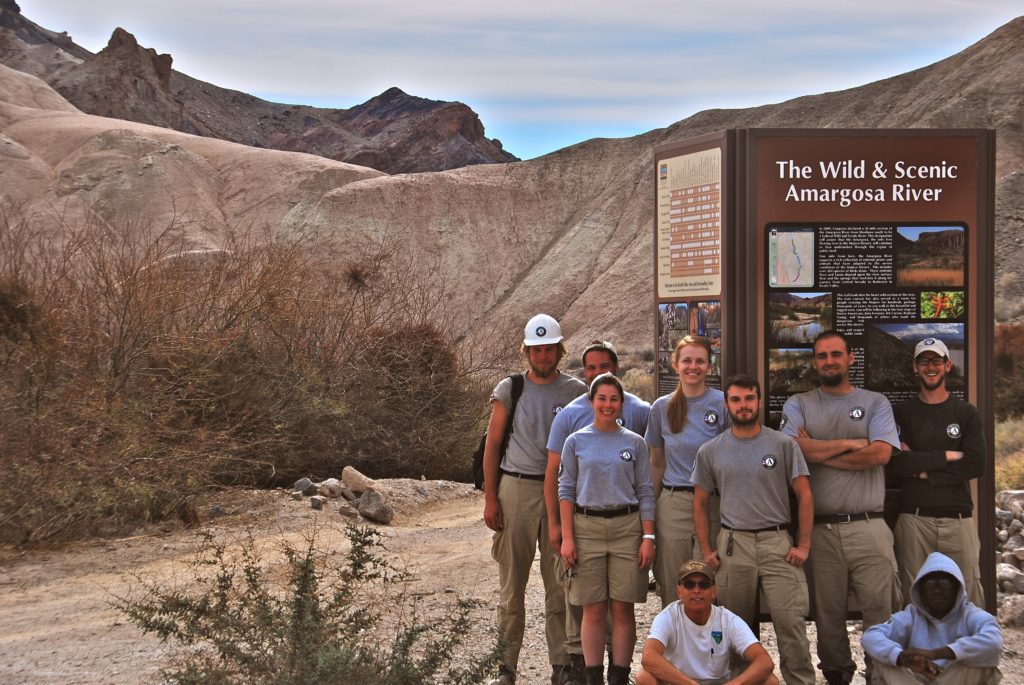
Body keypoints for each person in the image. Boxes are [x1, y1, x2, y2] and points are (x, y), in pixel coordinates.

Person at [779, 330, 901, 685]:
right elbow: (791, 451)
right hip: (820, 530)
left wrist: (817, 452)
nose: (829, 361)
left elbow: (881, 454)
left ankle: (882, 675)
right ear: (815, 362)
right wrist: (851, 444)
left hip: (870, 526)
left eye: (836, 354)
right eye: (822, 356)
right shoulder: (799, 404)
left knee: (881, 611)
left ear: (851, 359)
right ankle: (836, 676)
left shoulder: (876, 402)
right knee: (827, 615)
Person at [483, 313, 588, 685]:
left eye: (549, 349)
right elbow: (493, 444)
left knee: (559, 582)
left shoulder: (576, 392)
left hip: (560, 494)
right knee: (511, 586)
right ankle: (505, 668)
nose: (543, 356)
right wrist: (491, 498)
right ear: (526, 351)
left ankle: (562, 667)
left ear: (559, 350)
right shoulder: (510, 389)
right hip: (516, 488)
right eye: (536, 350)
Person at [693, 375, 816, 685]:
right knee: (736, 630)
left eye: (749, 399)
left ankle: (800, 680)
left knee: (791, 624)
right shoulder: (711, 450)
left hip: (778, 544)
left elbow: (804, 495)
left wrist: (803, 545)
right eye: (736, 400)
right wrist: (707, 550)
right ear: (727, 405)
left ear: (759, 401)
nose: (743, 405)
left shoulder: (783, 444)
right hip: (735, 545)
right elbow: (700, 502)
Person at [545, 340, 652, 682]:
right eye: (601, 398)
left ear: (622, 403)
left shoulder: (634, 442)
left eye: (614, 399)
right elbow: (566, 490)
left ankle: (619, 676)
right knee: (592, 609)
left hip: (626, 528)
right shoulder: (576, 440)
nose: (608, 404)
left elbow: (646, 490)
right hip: (587, 527)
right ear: (592, 402)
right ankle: (592, 677)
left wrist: (648, 535)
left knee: (622, 609)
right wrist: (567, 538)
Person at [890, 338, 986, 606]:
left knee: (968, 597)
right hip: (914, 520)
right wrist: (945, 457)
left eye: (936, 361)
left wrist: (924, 473)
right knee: (913, 598)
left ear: (947, 365)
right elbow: (896, 463)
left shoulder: (966, 413)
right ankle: (919, 650)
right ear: (915, 367)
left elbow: (976, 464)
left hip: (958, 519)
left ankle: (964, 650)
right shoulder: (902, 413)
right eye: (924, 360)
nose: (930, 367)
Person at [645, 335, 729, 607]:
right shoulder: (661, 408)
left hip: (712, 503)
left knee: (710, 581)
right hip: (673, 503)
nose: (693, 367)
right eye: (687, 360)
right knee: (673, 584)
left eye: (700, 361)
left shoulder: (723, 403)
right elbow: (657, 463)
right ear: (675, 364)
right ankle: (675, 646)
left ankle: (711, 648)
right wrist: (649, 511)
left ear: (710, 366)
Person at [862, 552, 1002, 685]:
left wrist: (936, 654)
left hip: (955, 679)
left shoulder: (970, 614)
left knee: (982, 663)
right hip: (918, 679)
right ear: (921, 590)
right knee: (883, 661)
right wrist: (901, 657)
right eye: (930, 584)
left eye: (944, 584)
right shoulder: (912, 614)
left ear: (957, 588)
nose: (937, 591)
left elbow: (994, 641)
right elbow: (870, 636)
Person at [635, 560, 779, 685]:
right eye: (689, 584)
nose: (696, 590)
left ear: (713, 591)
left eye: (703, 584)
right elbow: (648, 657)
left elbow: (765, 661)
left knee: (770, 681)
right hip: (679, 682)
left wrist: (736, 683)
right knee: (644, 677)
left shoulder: (728, 620)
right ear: (679, 591)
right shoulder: (668, 617)